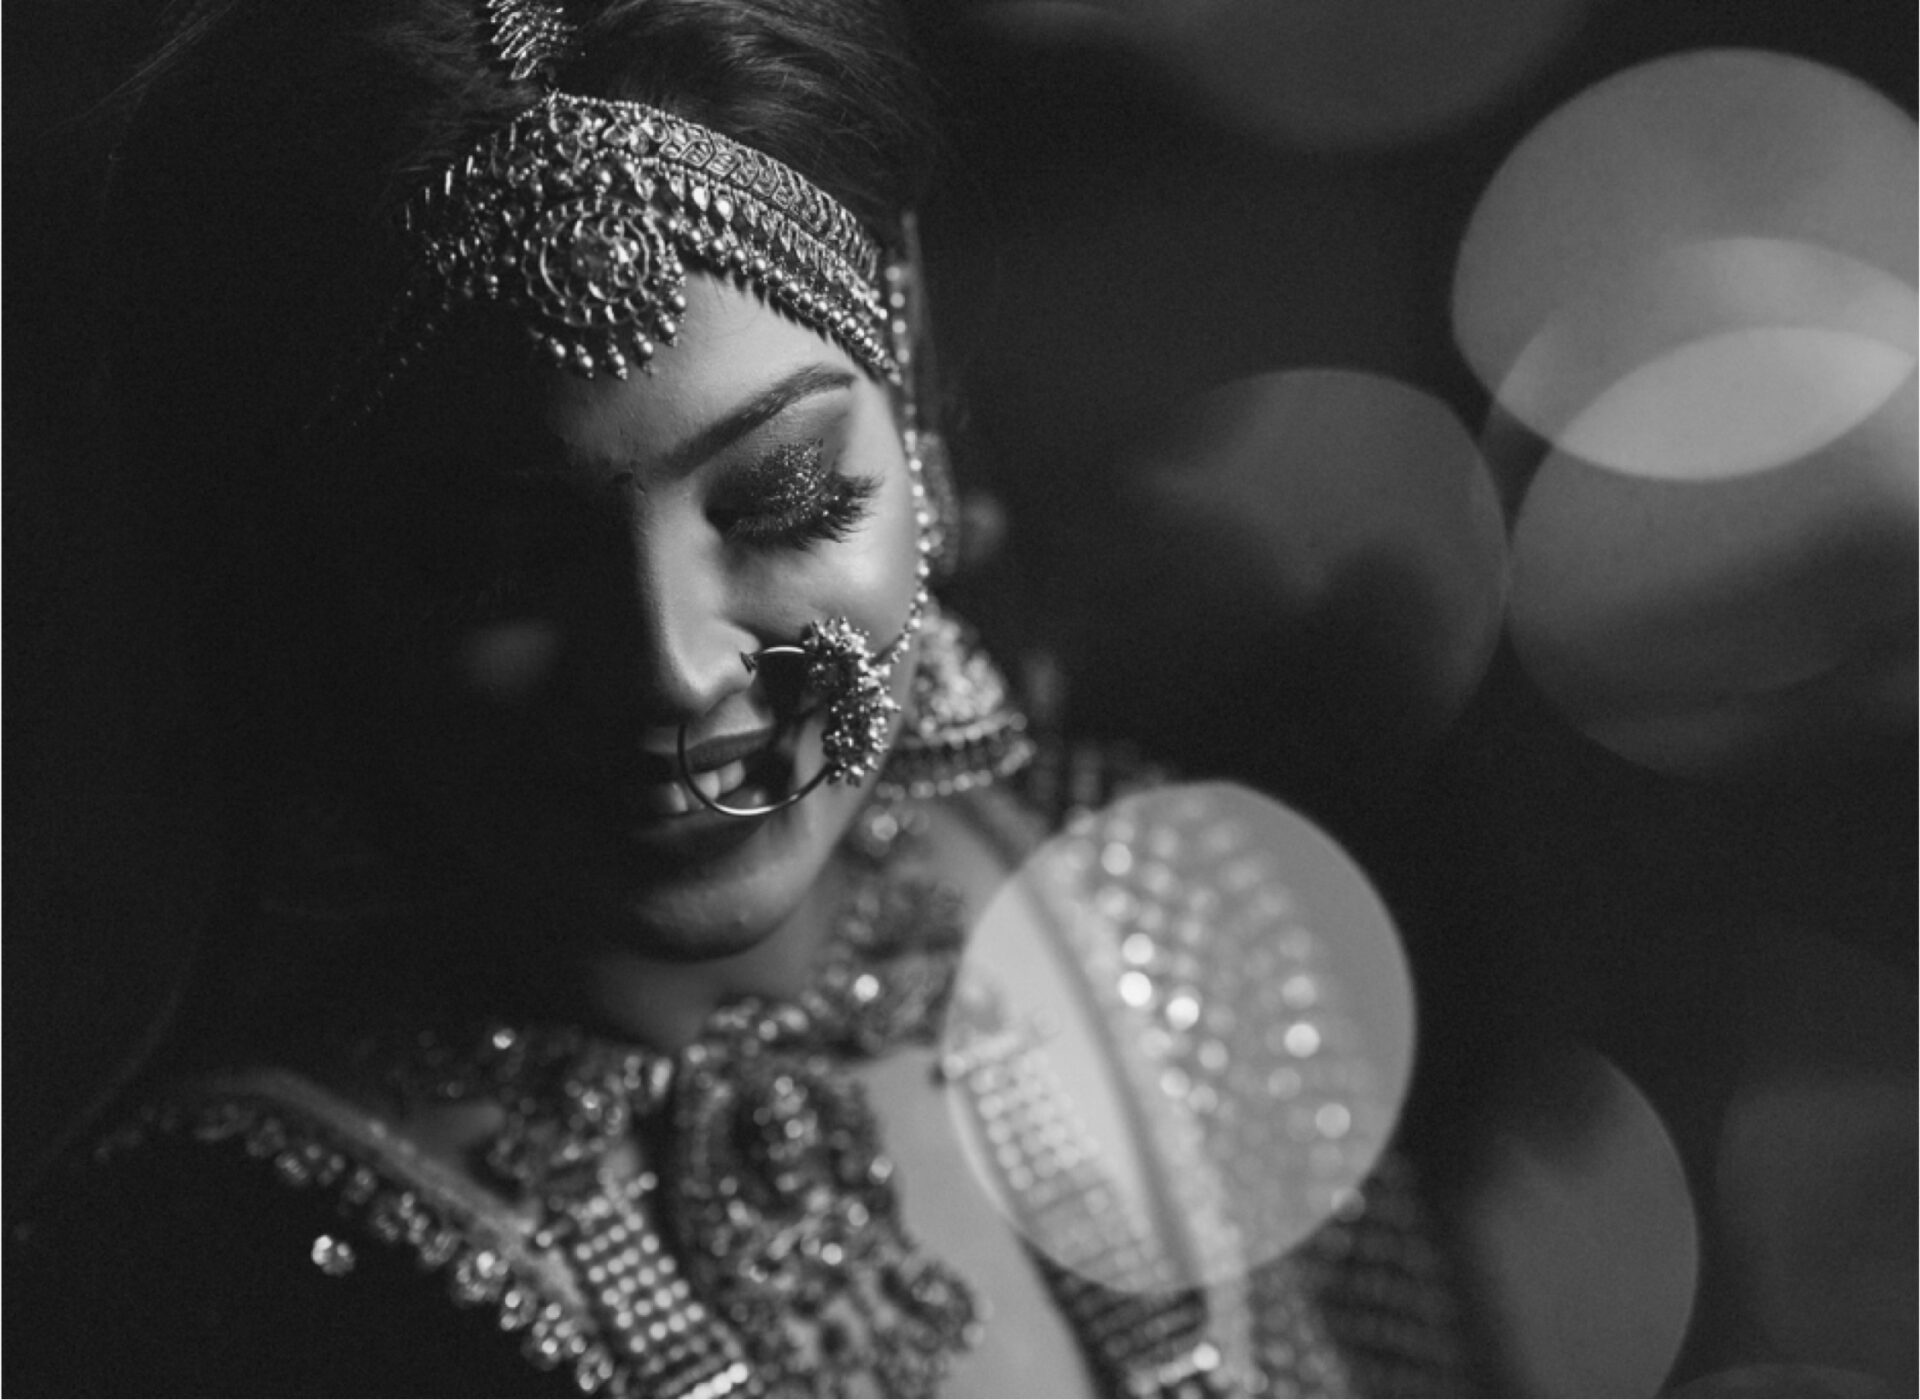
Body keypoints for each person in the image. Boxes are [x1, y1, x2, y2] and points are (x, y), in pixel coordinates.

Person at [7, 2, 1479, 1394]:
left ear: (913, 405)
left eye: (785, 499)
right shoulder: (207, 1284)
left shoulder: (1158, 907)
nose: (672, 662)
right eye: (496, 559)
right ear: (306, 574)